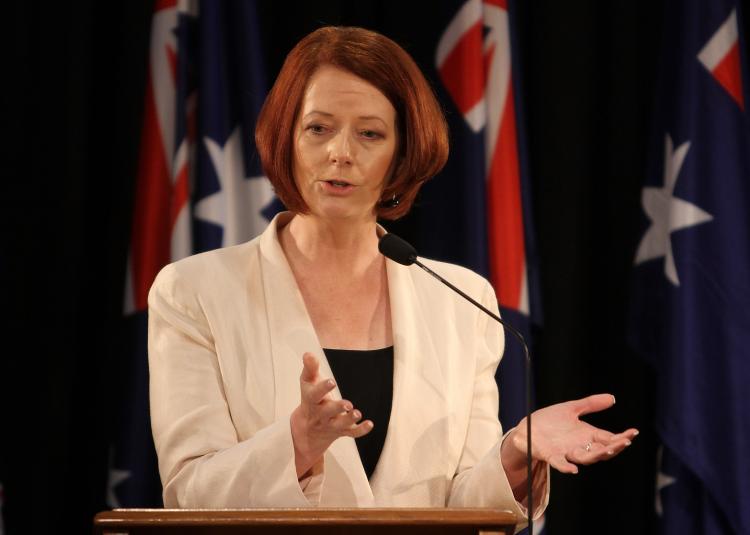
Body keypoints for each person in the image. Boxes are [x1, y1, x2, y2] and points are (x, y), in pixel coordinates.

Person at [147, 25, 638, 529]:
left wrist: (515, 452)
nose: (341, 151)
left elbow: (462, 501)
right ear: (285, 136)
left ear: (402, 153)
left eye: (370, 133)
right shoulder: (195, 291)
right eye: (318, 127)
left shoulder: (462, 300)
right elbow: (188, 492)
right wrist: (297, 443)